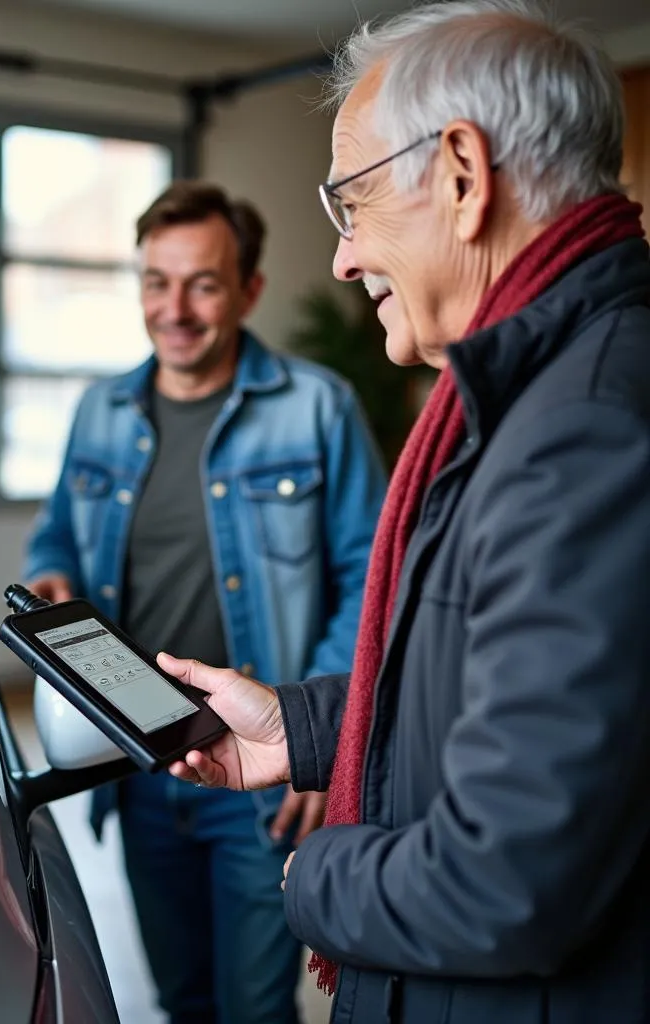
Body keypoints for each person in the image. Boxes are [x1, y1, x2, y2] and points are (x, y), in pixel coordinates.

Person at [158, 2, 650, 1022]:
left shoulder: (583, 427)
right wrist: (296, 730)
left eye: (354, 201)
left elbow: (509, 877)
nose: (340, 259)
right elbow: (480, 679)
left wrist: (314, 879)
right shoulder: (541, 390)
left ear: (462, 177)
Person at [23, 180, 387, 1024]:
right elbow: (56, 540)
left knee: (255, 1008)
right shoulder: (100, 412)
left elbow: (371, 580)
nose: (174, 308)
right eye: (157, 281)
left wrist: (314, 743)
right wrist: (50, 579)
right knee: (181, 1000)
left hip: (261, 774)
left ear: (250, 289)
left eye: (204, 283)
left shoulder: (316, 408)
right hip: (139, 763)